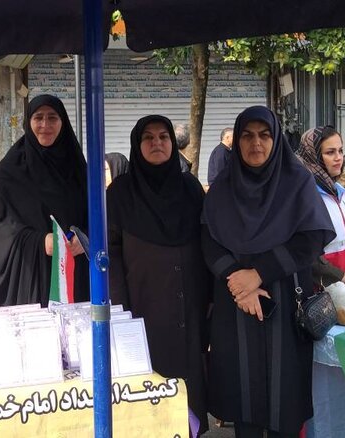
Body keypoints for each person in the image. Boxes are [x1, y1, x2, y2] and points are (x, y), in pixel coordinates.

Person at [202, 106, 334, 437]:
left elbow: (311, 239)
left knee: (283, 405)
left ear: (276, 140)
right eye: (247, 135)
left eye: (264, 135)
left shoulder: (297, 182)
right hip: (237, 304)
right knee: (243, 404)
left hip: (285, 301)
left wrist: (258, 274)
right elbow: (208, 240)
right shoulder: (223, 188)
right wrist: (238, 283)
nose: (256, 143)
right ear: (236, 141)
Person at [107, 115, 210, 435]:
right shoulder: (120, 193)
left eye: (163, 137)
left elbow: (207, 241)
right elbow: (111, 253)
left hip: (189, 308)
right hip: (142, 308)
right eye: (148, 138)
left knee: (188, 391)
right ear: (136, 145)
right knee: (148, 393)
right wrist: (121, 311)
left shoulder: (190, 187)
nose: (157, 143)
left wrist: (209, 301)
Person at [0, 94, 88, 307]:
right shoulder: (11, 169)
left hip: (76, 276)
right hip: (30, 277)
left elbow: (94, 214)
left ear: (63, 122)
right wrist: (40, 242)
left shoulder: (76, 165)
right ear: (28, 122)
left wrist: (85, 239)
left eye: (52, 118)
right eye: (38, 117)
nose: (45, 125)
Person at [297, 126, 345, 297]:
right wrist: (343, 276)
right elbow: (301, 252)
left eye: (340, 151)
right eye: (330, 152)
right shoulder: (302, 196)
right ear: (313, 156)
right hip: (322, 295)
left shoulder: (340, 192)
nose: (338, 157)